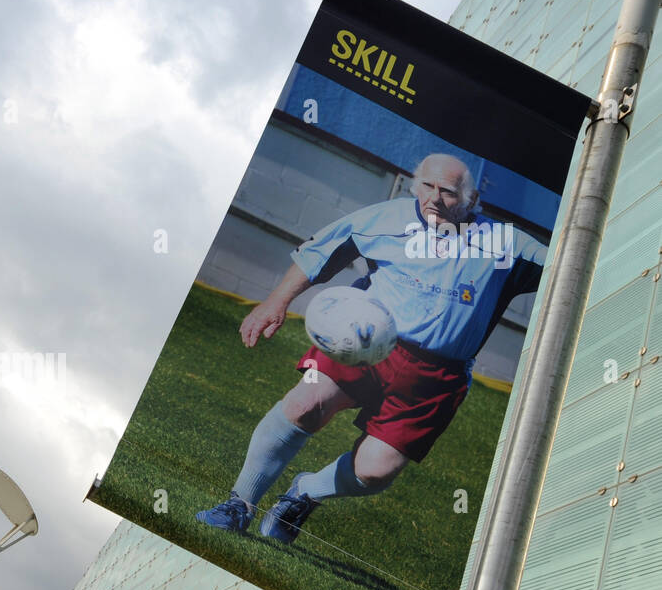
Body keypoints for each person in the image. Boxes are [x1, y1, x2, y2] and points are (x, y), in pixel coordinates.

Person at [196, 153, 546, 542]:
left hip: (435, 377)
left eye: (447, 191)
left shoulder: (505, 243)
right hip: (363, 342)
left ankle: (304, 492)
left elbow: (567, 264)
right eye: (426, 186)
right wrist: (276, 301)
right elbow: (319, 252)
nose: (434, 198)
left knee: (374, 472)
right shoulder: (386, 218)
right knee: (304, 405)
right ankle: (239, 505)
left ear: (472, 199)